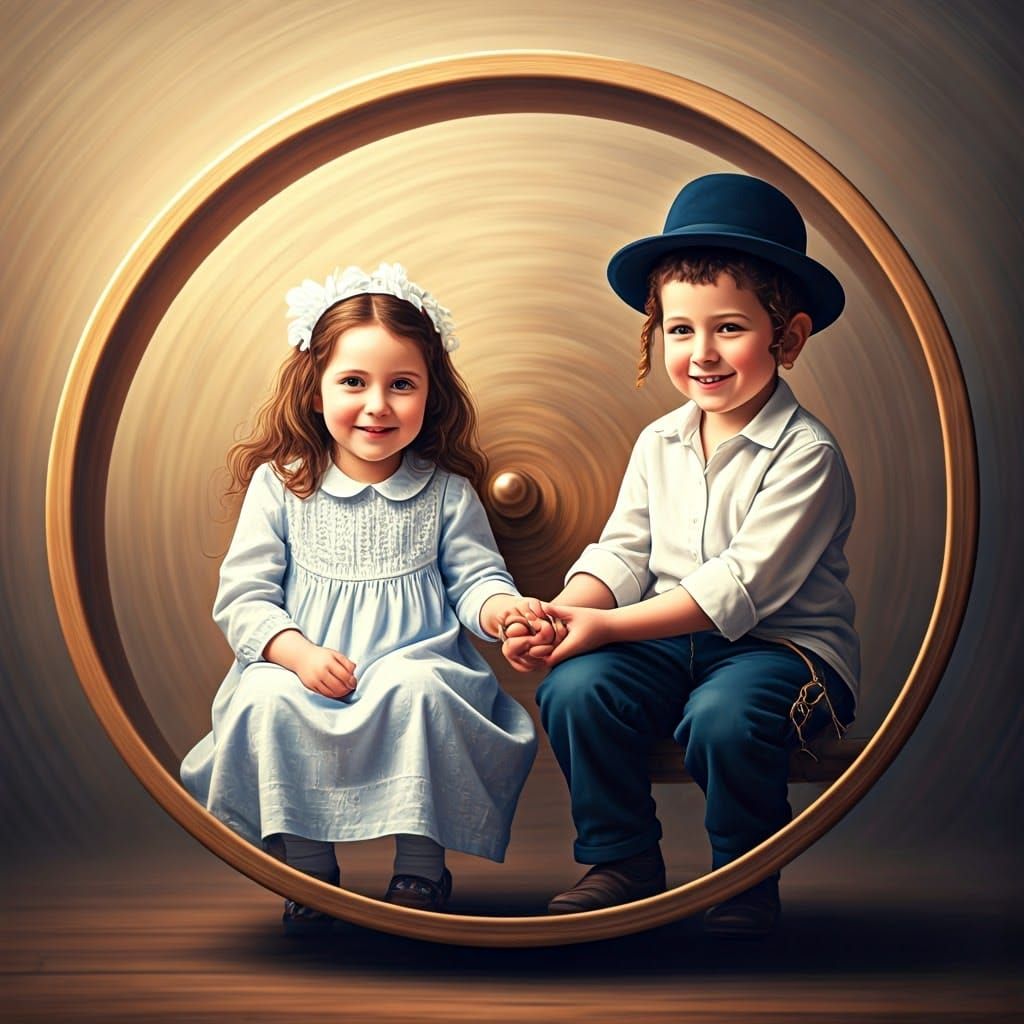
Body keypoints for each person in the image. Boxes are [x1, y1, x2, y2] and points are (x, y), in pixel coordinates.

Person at [502, 174, 860, 938]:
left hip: (780, 652)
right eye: (679, 330)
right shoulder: (659, 440)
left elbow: (737, 589)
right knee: (576, 688)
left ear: (787, 338)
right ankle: (622, 858)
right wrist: (570, 615)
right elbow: (626, 552)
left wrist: (608, 627)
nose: (702, 354)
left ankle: (743, 878)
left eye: (728, 328)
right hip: (668, 641)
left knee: (725, 717)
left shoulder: (807, 455)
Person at [181, 262, 538, 934]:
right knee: (266, 699)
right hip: (308, 670)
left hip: (416, 663)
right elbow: (246, 596)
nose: (378, 405)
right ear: (316, 392)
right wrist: (297, 654)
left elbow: (475, 581)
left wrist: (502, 610)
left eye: (401, 385)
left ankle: (420, 870)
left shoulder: (445, 491)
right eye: (354, 382)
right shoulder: (283, 485)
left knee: (420, 687)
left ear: (430, 396)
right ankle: (310, 873)